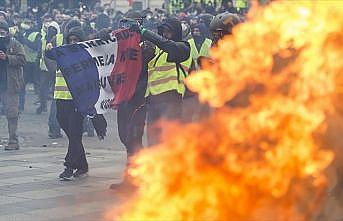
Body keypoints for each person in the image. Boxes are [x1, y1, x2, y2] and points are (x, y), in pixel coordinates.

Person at [135, 17, 192, 145]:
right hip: (153, 102)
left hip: (172, 100)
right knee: (153, 142)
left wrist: (144, 32)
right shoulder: (157, 51)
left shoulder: (183, 48)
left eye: (168, 31)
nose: (165, 34)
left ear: (176, 32)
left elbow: (168, 46)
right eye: (163, 31)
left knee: (169, 141)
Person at [46, 27, 89, 180]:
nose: (73, 42)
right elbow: (48, 55)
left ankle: (69, 166)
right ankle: (83, 165)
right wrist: (48, 46)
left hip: (76, 101)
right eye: (70, 40)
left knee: (75, 133)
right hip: (61, 97)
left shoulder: (84, 57)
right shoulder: (62, 53)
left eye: (76, 40)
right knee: (72, 135)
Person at [0, 20, 26, 150]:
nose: (0, 34)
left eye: (2, 31)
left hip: (10, 85)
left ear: (7, 32)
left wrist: (7, 57)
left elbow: (22, 59)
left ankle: (13, 141)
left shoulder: (15, 44)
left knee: (12, 113)